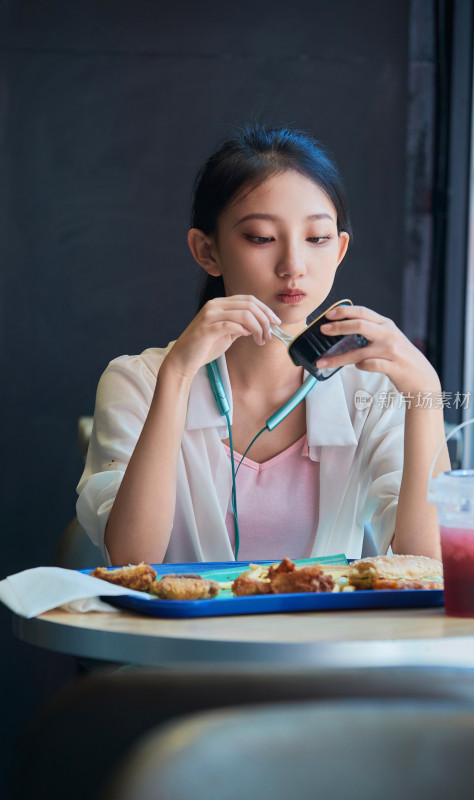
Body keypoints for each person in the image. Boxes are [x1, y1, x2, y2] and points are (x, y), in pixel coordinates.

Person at [77, 124, 449, 567]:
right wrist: (176, 377)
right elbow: (131, 559)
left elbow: (430, 563)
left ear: (340, 250)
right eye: (260, 238)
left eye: (317, 239)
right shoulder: (137, 381)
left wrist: (426, 392)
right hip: (186, 639)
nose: (293, 266)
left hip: (323, 638)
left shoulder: (372, 392)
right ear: (206, 250)